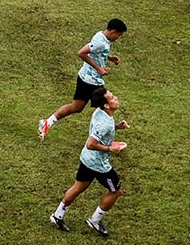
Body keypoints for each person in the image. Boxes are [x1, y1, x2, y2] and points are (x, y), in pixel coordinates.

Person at [49, 86, 130, 237]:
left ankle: (57, 215)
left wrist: (117, 126)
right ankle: (95, 220)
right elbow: (91, 144)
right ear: (106, 105)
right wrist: (110, 149)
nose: (116, 98)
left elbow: (99, 131)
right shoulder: (104, 123)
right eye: (112, 98)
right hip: (99, 165)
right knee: (115, 191)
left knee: (78, 187)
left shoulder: (100, 112)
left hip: (86, 159)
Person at [39, 19, 127, 139]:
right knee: (105, 107)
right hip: (92, 81)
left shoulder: (102, 36)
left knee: (77, 107)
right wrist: (98, 68)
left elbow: (96, 53)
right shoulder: (100, 42)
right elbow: (81, 53)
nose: (118, 37)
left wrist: (109, 58)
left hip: (85, 78)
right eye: (119, 35)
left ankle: (47, 122)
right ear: (113, 31)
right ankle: (105, 136)